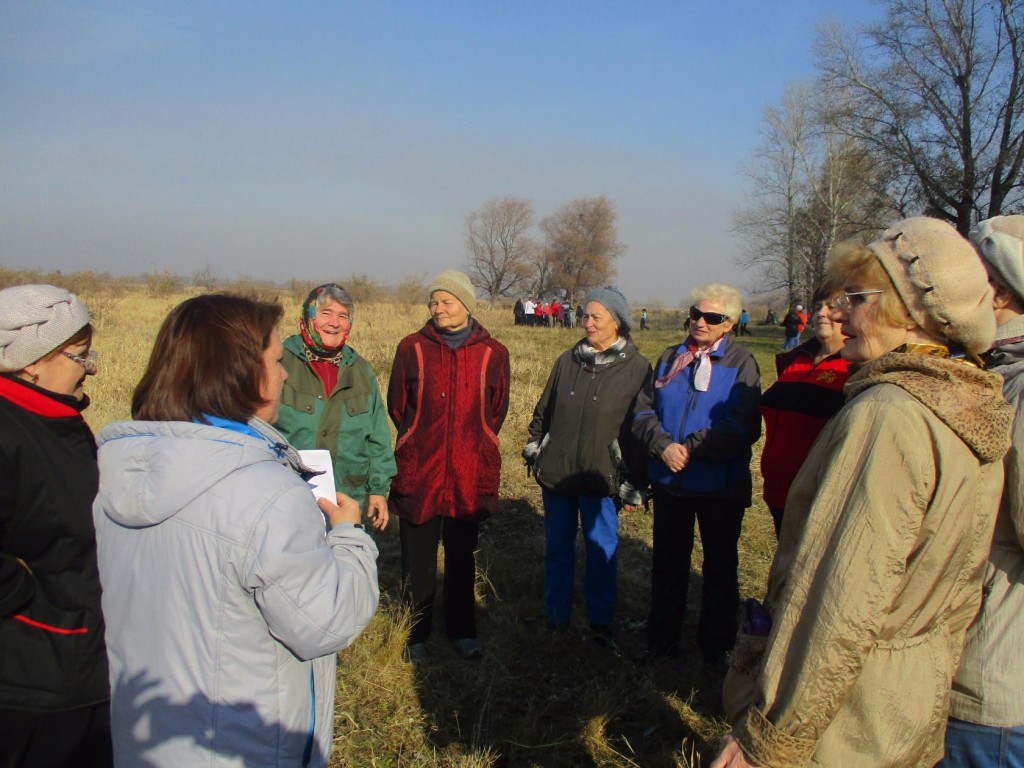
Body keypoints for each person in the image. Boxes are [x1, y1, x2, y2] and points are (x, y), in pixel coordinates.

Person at [714, 218, 1012, 768]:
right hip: (907, 699)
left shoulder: (888, 415)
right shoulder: (966, 403)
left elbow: (838, 602)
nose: (840, 312)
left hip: (844, 713)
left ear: (908, 312)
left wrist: (773, 736)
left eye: (856, 298)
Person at [93, 294, 379, 767]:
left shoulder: (112, 470)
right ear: (240, 372)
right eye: (276, 361)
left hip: (145, 737)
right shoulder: (268, 493)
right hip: (242, 746)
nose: (284, 375)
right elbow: (325, 623)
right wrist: (348, 537)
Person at [0, 285, 112, 767]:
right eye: (79, 355)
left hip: (81, 666)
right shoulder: (9, 432)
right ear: (30, 362)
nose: (91, 367)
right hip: (30, 684)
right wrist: (32, 602)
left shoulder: (58, 421)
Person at [632, 283, 762, 672]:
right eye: (695, 313)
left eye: (712, 317)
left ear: (730, 323)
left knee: (719, 568)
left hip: (718, 485)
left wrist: (692, 449)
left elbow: (743, 423)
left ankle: (715, 648)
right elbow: (643, 412)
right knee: (667, 563)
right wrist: (663, 447)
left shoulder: (742, 364)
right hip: (670, 483)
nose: (700, 322)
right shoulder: (670, 357)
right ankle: (662, 641)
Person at [937, 215, 1024, 767]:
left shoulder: (1020, 385)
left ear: (997, 294)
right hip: (956, 654)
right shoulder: (984, 373)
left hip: (991, 667)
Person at [387, 270, 510, 662]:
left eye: (446, 301)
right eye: (433, 301)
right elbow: (397, 405)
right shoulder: (412, 348)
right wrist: (417, 437)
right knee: (417, 555)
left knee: (461, 554)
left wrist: (475, 439)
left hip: (468, 471)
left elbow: (497, 410)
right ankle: (415, 633)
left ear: (466, 305)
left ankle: (462, 629)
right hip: (420, 467)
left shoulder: (493, 353)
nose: (438, 308)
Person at [523, 286, 651, 646]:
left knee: (601, 552)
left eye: (596, 317)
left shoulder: (637, 368)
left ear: (617, 322)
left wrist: (635, 482)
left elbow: (641, 429)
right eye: (585, 315)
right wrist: (537, 446)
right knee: (557, 550)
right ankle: (555, 619)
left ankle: (600, 622)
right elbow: (544, 411)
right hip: (558, 473)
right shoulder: (567, 360)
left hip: (602, 477)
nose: (587, 322)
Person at [274, 283, 394, 530]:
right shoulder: (279, 362)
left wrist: (378, 489)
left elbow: (378, 438)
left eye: (342, 316)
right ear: (309, 316)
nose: (334, 323)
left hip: (347, 499)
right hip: (287, 496)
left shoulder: (360, 371)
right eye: (326, 313)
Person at [759, 284, 850, 536]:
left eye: (832, 307)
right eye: (818, 307)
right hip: (778, 492)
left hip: (818, 498)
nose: (821, 313)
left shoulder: (856, 369)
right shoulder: (795, 359)